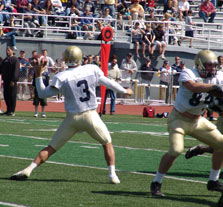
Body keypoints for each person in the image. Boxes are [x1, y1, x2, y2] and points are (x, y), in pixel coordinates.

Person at [10, 46, 133, 184]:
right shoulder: (91, 69)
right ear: (80, 58)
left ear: (66, 59)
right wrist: (124, 90)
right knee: (107, 143)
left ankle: (29, 169)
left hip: (72, 118)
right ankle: (112, 175)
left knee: (51, 148)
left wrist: (38, 75)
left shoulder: (62, 76)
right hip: (90, 115)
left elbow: (42, 94)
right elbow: (108, 83)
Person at [150, 50, 223, 198]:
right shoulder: (188, 73)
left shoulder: (218, 77)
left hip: (198, 120)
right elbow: (193, 87)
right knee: (176, 150)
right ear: (200, 65)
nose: (212, 69)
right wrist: (213, 88)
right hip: (179, 119)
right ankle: (157, 182)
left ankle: (213, 180)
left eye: (214, 66)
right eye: (209, 66)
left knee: (221, 144)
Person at [0, 47, 20, 116]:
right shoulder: (5, 60)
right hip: (5, 80)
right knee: (6, 95)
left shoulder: (15, 59)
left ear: (12, 51)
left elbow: (16, 70)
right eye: (6, 50)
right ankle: (8, 110)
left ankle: (12, 111)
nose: (7, 51)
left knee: (12, 95)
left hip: (11, 81)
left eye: (8, 50)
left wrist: (13, 80)